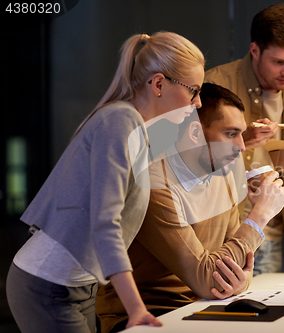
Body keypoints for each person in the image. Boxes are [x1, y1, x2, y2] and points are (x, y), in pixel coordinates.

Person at [6, 31, 205, 333]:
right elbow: (105, 222)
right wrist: (135, 307)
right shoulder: (120, 122)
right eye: (194, 91)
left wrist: (242, 141)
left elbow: (188, 159)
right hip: (49, 285)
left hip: (79, 287)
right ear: (159, 84)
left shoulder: (140, 128)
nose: (198, 102)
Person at [96, 83, 284, 333]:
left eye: (241, 134)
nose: (242, 146)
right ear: (195, 133)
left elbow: (234, 261)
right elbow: (208, 277)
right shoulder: (153, 184)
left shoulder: (224, 173)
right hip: (147, 316)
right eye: (231, 134)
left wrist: (241, 281)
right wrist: (260, 215)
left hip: (204, 304)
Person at [205, 4, 284, 275]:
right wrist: (243, 139)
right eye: (279, 62)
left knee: (260, 309)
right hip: (224, 228)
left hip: (271, 229)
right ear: (255, 51)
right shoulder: (216, 85)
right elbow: (188, 158)